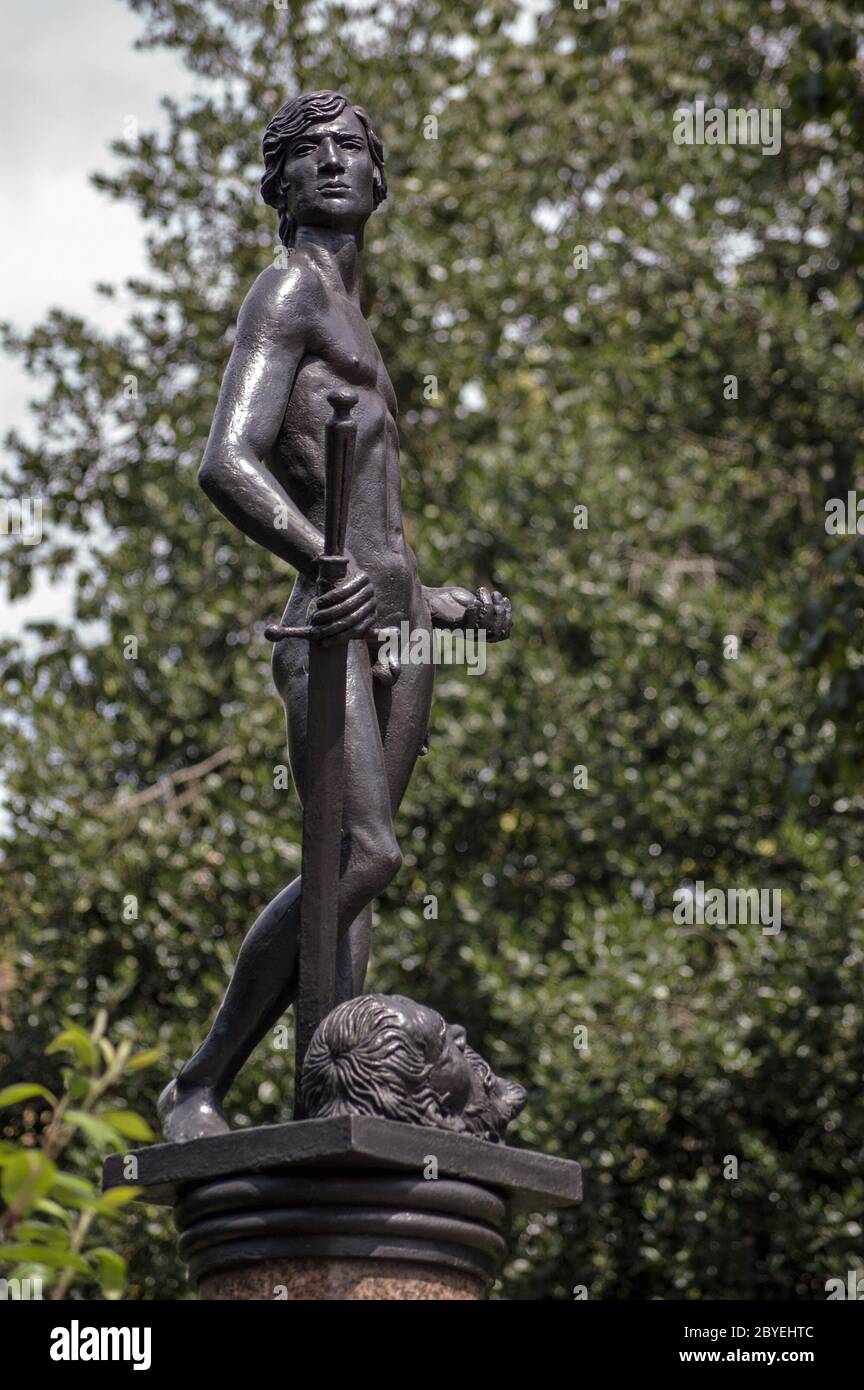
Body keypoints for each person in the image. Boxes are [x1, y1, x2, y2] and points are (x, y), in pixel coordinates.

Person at [159, 91, 511, 1142]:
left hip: (402, 620)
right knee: (360, 855)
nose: (331, 163)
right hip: (332, 616)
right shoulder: (288, 291)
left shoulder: (357, 318)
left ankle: (342, 1089)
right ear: (278, 184)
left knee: (360, 879)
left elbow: (373, 510)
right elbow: (227, 461)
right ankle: (199, 1081)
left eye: (352, 147)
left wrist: (441, 599)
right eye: (306, 153)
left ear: (381, 175)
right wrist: (318, 558)